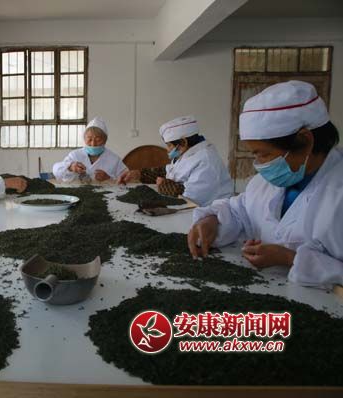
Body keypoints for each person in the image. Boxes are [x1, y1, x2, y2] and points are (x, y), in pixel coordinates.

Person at [188, 80, 342, 288]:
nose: (259, 164)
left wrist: (289, 259)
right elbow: (240, 211)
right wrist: (212, 220)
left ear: (305, 140)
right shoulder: (266, 183)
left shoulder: (337, 192)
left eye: (264, 154)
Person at [118, 116, 233, 206]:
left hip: (210, 214)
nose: (168, 150)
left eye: (169, 145)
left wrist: (165, 185)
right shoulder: (186, 153)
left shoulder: (206, 160)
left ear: (183, 142)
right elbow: (168, 171)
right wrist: (139, 174)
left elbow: (192, 196)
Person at [52, 117, 127, 183]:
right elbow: (56, 170)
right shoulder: (75, 155)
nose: (93, 144)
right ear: (84, 139)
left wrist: (109, 178)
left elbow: (126, 179)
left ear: (105, 140)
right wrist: (70, 167)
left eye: (98, 140)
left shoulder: (114, 159)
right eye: (89, 139)